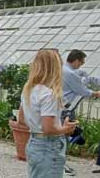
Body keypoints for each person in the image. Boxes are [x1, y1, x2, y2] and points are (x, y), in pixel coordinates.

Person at [19, 49, 78, 178]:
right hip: (49, 146)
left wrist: (36, 123)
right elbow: (48, 128)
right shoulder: (50, 94)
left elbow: (21, 120)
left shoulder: (28, 90)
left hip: (34, 143)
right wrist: (66, 128)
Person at [62, 50, 100, 175]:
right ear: (76, 60)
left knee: (65, 137)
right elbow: (82, 90)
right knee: (65, 137)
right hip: (66, 110)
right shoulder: (70, 73)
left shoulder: (63, 69)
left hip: (63, 108)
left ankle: (61, 163)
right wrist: (97, 93)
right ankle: (61, 164)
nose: (82, 65)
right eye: (81, 62)